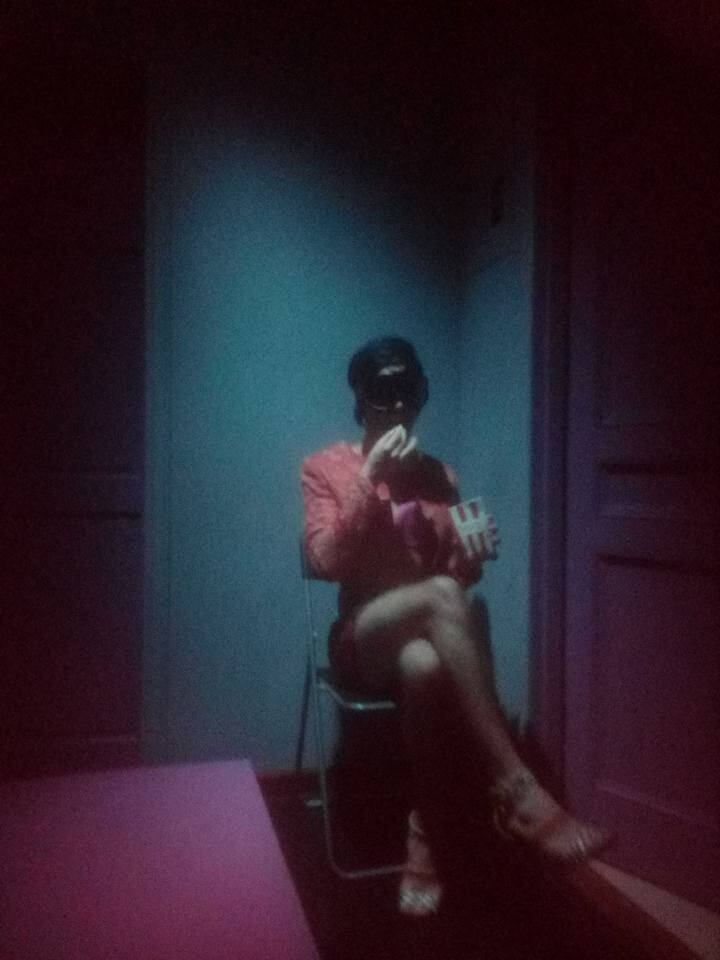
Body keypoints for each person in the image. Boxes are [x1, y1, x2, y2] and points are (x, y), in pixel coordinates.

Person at [300, 336, 609, 917]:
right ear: (360, 403)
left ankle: (425, 829)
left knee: (423, 665)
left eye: (409, 392)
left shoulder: (439, 476)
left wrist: (472, 555)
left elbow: (455, 582)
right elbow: (325, 562)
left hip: (419, 640)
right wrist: (369, 475)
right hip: (362, 637)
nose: (398, 407)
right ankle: (516, 789)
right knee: (438, 603)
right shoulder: (325, 468)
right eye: (382, 394)